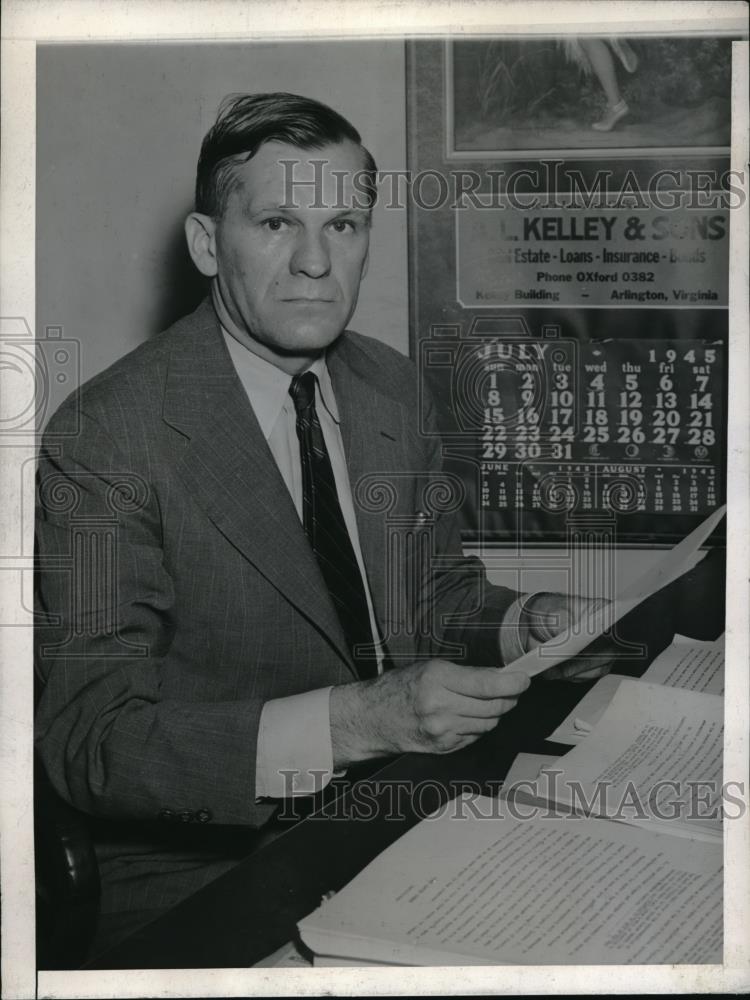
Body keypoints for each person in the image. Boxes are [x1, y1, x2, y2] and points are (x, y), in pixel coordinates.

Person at [34, 92, 610, 953]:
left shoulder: (391, 386)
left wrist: (523, 623)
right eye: (277, 224)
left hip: (407, 809)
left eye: (342, 225)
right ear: (206, 244)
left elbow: (434, 592)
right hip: (209, 870)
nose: (315, 263)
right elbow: (94, 741)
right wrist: (356, 724)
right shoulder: (106, 434)